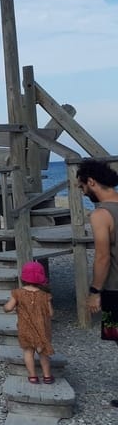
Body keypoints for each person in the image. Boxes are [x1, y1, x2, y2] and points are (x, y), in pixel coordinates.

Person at [76, 159, 118, 406]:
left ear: (91, 182)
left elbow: (102, 257)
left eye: (82, 187)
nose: (82, 192)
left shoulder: (101, 214)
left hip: (114, 289)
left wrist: (94, 291)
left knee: (115, 334)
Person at [3, 262, 55, 384]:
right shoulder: (45, 295)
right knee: (43, 352)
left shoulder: (17, 293)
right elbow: (51, 313)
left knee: (28, 352)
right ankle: (47, 376)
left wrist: (5, 307)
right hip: (42, 329)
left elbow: (9, 307)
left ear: (23, 278)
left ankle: (33, 376)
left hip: (25, 329)